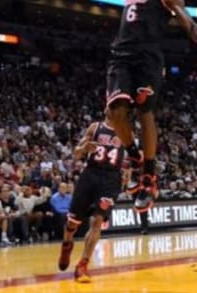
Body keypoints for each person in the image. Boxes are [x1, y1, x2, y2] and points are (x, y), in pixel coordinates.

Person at [113, 0, 197, 214]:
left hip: (147, 56)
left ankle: (148, 175)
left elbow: (188, 22)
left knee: (144, 112)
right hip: (121, 54)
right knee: (114, 112)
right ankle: (134, 155)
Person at [57, 107, 125, 283]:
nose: (113, 110)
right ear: (106, 110)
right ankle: (67, 244)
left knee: (97, 221)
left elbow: (133, 157)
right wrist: (84, 148)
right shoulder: (95, 128)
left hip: (111, 179)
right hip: (90, 175)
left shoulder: (126, 131)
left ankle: (82, 265)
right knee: (72, 223)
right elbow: (76, 153)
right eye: (111, 106)